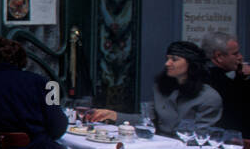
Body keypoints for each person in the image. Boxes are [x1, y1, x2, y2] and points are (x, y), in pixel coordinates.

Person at [88, 41, 223, 136]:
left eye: (174, 59)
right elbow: (147, 120)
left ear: (191, 64)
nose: (167, 63)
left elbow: (202, 138)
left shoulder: (210, 98)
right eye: (167, 58)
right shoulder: (161, 88)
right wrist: (113, 115)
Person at [201, 31, 250, 139]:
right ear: (219, 56)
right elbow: (241, 104)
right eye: (235, 54)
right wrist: (243, 78)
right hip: (231, 143)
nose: (240, 57)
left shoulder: (202, 72)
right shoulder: (216, 80)